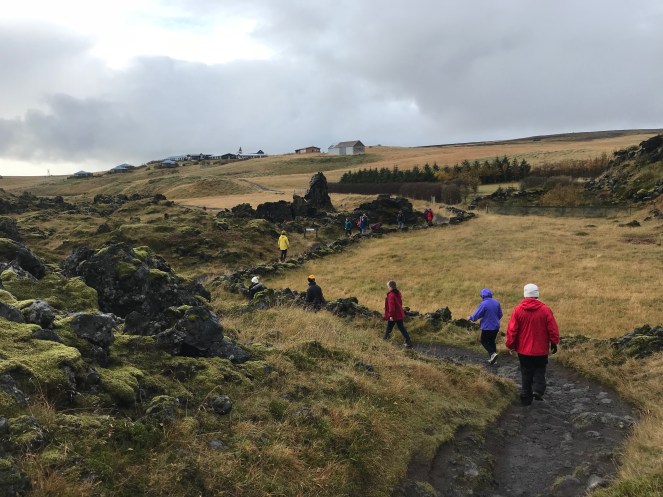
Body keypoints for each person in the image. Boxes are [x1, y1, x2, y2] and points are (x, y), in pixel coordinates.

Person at [505, 283, 560, 406]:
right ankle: (538, 390)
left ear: (525, 294)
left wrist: (511, 345)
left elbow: (512, 330)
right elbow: (552, 329)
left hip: (523, 350)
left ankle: (526, 398)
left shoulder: (518, 310)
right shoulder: (545, 310)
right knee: (540, 369)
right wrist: (554, 342)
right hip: (541, 349)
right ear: (537, 294)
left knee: (526, 372)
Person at [468, 288, 503, 364]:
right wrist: (495, 320)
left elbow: (477, 315)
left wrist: (471, 318)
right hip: (496, 326)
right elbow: (500, 314)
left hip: (487, 327)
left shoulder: (483, 304)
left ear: (482, 296)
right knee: (491, 341)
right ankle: (493, 360)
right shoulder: (496, 302)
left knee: (483, 341)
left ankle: (493, 354)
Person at [383, 280, 413, 348]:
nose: (388, 288)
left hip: (394, 315)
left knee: (389, 328)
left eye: (388, 286)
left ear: (390, 287)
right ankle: (408, 341)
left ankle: (385, 340)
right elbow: (400, 303)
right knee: (401, 328)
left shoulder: (391, 295)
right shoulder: (397, 293)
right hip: (399, 313)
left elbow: (391, 306)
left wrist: (391, 315)